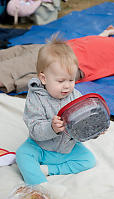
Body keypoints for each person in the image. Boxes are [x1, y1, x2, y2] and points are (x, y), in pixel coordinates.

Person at [15, 35, 97, 199]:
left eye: (71, 79)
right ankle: (40, 186)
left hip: (67, 147)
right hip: (40, 147)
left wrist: (92, 129)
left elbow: (81, 129)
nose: (67, 85)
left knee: (89, 160)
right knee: (22, 155)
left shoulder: (75, 96)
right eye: (60, 81)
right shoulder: (36, 98)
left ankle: (49, 170)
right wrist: (51, 127)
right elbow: (35, 129)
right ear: (43, 79)